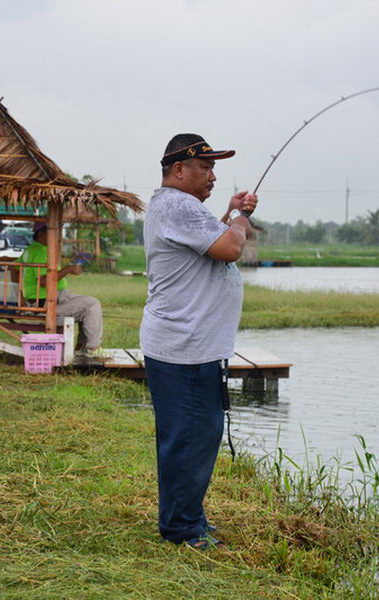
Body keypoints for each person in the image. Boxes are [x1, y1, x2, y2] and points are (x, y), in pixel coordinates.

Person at [140, 133, 258, 549]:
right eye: (205, 167)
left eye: (213, 167)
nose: (212, 175)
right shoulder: (178, 205)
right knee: (190, 436)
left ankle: (188, 518)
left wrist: (227, 212)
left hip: (192, 347)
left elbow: (214, 241)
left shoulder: (181, 209)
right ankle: (182, 529)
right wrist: (240, 216)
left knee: (195, 435)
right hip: (184, 350)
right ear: (178, 170)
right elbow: (229, 247)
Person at [16, 222, 106, 358]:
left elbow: (13, 269)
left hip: (47, 299)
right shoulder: (40, 251)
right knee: (91, 304)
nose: (55, 237)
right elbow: (45, 281)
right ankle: (92, 348)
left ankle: (82, 347)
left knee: (86, 304)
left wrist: (19, 294)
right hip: (47, 304)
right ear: (41, 234)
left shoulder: (31, 249)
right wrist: (69, 269)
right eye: (52, 233)